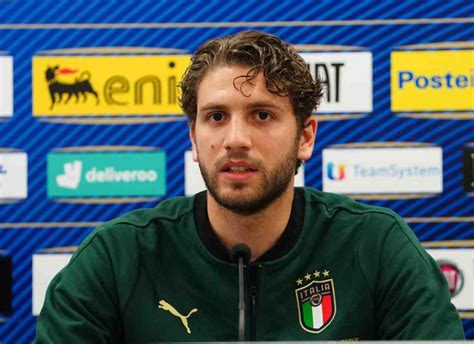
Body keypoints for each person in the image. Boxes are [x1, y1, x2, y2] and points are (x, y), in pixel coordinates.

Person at [35, 30, 464, 342]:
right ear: (194, 138)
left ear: (306, 137)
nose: (235, 139)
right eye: (216, 116)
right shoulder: (118, 258)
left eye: (262, 115)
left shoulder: (375, 245)